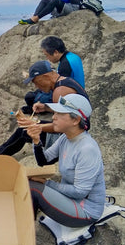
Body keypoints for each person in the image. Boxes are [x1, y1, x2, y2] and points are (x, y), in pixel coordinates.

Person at [26, 94, 105, 226]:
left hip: (86, 210)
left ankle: (26, 231)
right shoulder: (65, 138)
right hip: (70, 199)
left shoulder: (87, 149)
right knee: (28, 183)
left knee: (33, 189)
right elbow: (44, 160)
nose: (53, 117)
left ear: (75, 120)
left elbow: (80, 192)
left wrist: (48, 184)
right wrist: (36, 140)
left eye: (59, 113)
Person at [0, 60, 88, 155]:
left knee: (25, 130)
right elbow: (69, 111)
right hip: (78, 130)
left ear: (46, 77)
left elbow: (61, 127)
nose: (36, 86)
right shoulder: (65, 82)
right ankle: (0, 151)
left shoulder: (60, 91)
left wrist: (36, 126)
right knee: (25, 129)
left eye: (36, 82)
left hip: (71, 137)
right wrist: (45, 108)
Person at [23, 36, 85, 113]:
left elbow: (60, 87)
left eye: (47, 55)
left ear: (55, 52)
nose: (47, 58)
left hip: (72, 95)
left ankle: (34, 109)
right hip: (79, 90)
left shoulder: (64, 65)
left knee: (30, 97)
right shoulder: (72, 56)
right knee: (37, 93)